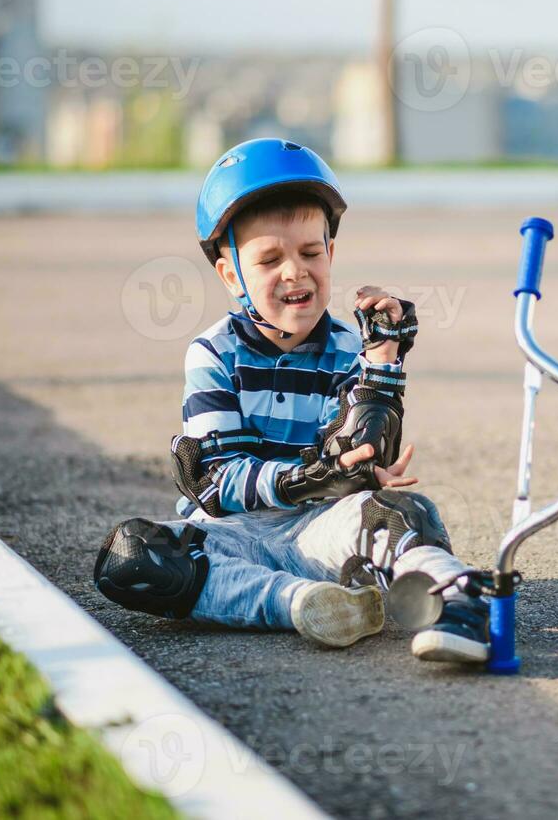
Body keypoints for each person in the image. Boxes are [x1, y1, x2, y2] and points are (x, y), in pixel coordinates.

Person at [92, 137, 490, 664]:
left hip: (319, 528)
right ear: (231, 273)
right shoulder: (214, 353)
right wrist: (305, 478)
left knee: (402, 513)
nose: (295, 272)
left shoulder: (351, 350)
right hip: (232, 538)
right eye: (269, 259)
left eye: (310, 252)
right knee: (132, 557)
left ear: (331, 253)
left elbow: (356, 450)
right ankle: (302, 603)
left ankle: (457, 604)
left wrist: (384, 358)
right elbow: (220, 481)